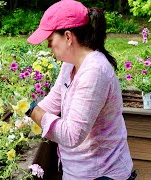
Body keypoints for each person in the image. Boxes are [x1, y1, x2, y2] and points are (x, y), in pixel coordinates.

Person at [26, 0, 135, 179]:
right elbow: (53, 101)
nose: (48, 46)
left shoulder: (95, 70)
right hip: (78, 170)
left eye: (50, 40)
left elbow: (71, 135)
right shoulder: (69, 65)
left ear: (68, 37)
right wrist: (20, 121)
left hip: (101, 173)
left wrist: (31, 110)